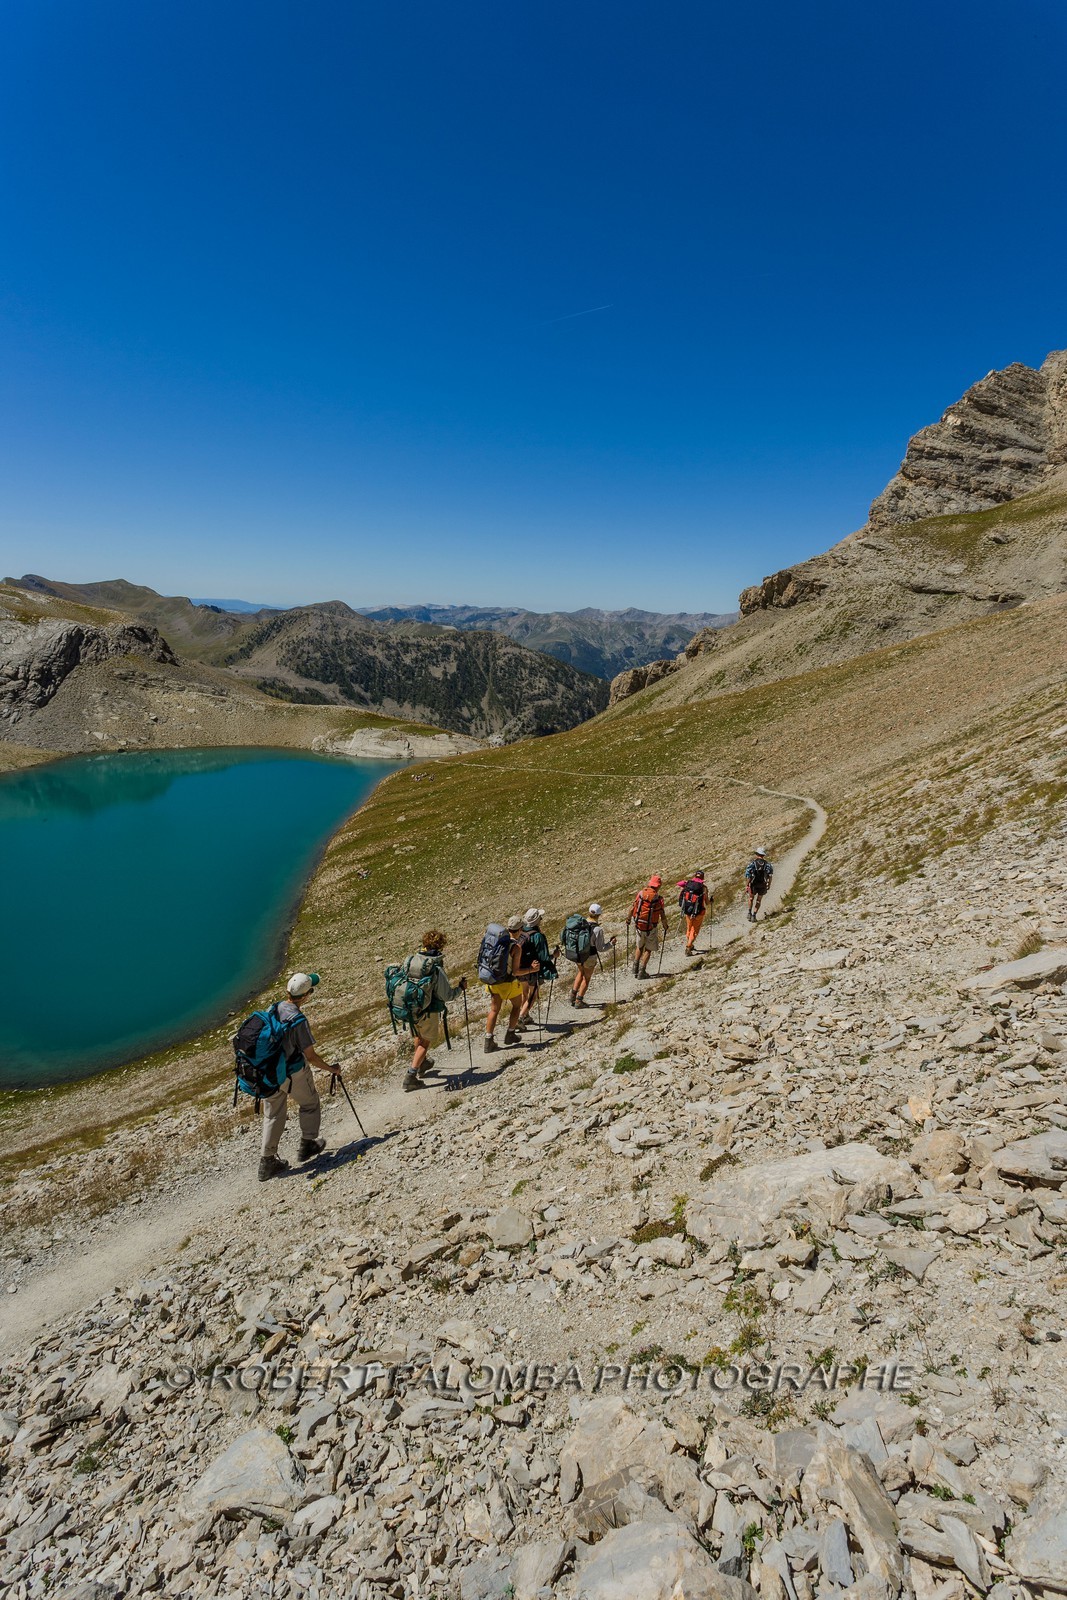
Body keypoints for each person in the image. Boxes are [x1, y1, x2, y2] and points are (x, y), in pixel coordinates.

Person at [259, 972, 343, 1182]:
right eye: (310, 991)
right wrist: (332, 1069)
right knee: (310, 1103)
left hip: (269, 1073)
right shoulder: (298, 1020)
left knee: (272, 1115)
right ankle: (308, 1144)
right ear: (305, 996)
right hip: (293, 1072)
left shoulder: (274, 1008)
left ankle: (267, 1162)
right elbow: (311, 1056)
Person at [403, 930, 466, 1091]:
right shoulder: (435, 967)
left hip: (411, 1008)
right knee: (425, 1042)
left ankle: (422, 1063)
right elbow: (447, 995)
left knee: (418, 1036)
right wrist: (460, 988)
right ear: (440, 946)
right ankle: (411, 1076)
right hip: (428, 1010)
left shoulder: (413, 961)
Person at [481, 914, 524, 1053]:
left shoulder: (497, 942)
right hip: (508, 982)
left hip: (493, 980)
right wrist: (532, 969)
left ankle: (488, 1041)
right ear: (519, 930)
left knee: (494, 1009)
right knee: (517, 1006)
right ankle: (510, 1034)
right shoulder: (516, 947)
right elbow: (516, 971)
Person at [516, 908, 558, 1030]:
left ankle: (525, 1015)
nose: (541, 919)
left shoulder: (521, 932)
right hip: (533, 970)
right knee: (533, 994)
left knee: (524, 993)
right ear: (536, 920)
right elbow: (543, 956)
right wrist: (553, 955)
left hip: (520, 968)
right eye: (540, 917)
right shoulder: (538, 936)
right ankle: (520, 1018)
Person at [568, 902, 616, 1007]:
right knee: (587, 978)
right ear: (599, 915)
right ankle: (579, 1001)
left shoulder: (580, 924)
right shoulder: (598, 929)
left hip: (578, 955)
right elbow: (601, 948)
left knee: (580, 972)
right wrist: (611, 944)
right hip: (590, 956)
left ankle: (572, 996)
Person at [627, 875, 669, 979]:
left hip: (639, 925)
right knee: (648, 949)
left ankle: (635, 968)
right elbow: (662, 914)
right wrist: (665, 925)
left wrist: (628, 919)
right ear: (658, 886)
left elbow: (632, 907)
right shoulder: (659, 899)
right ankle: (642, 971)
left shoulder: (641, 894)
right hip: (651, 927)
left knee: (639, 946)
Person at [677, 869, 711, 956]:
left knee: (689, 928)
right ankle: (688, 946)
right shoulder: (704, 888)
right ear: (702, 878)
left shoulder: (688, 885)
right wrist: (711, 901)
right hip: (699, 912)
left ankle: (690, 944)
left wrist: (687, 882)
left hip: (688, 911)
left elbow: (679, 883)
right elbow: (707, 902)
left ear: (695, 876)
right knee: (694, 930)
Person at [745, 849, 773, 922]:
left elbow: (748, 875)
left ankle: (749, 912)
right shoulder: (768, 864)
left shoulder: (752, 863)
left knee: (751, 898)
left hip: (754, 884)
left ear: (757, 854)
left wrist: (747, 885)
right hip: (763, 885)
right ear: (763, 855)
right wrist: (769, 885)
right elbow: (770, 876)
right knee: (758, 900)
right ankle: (754, 915)